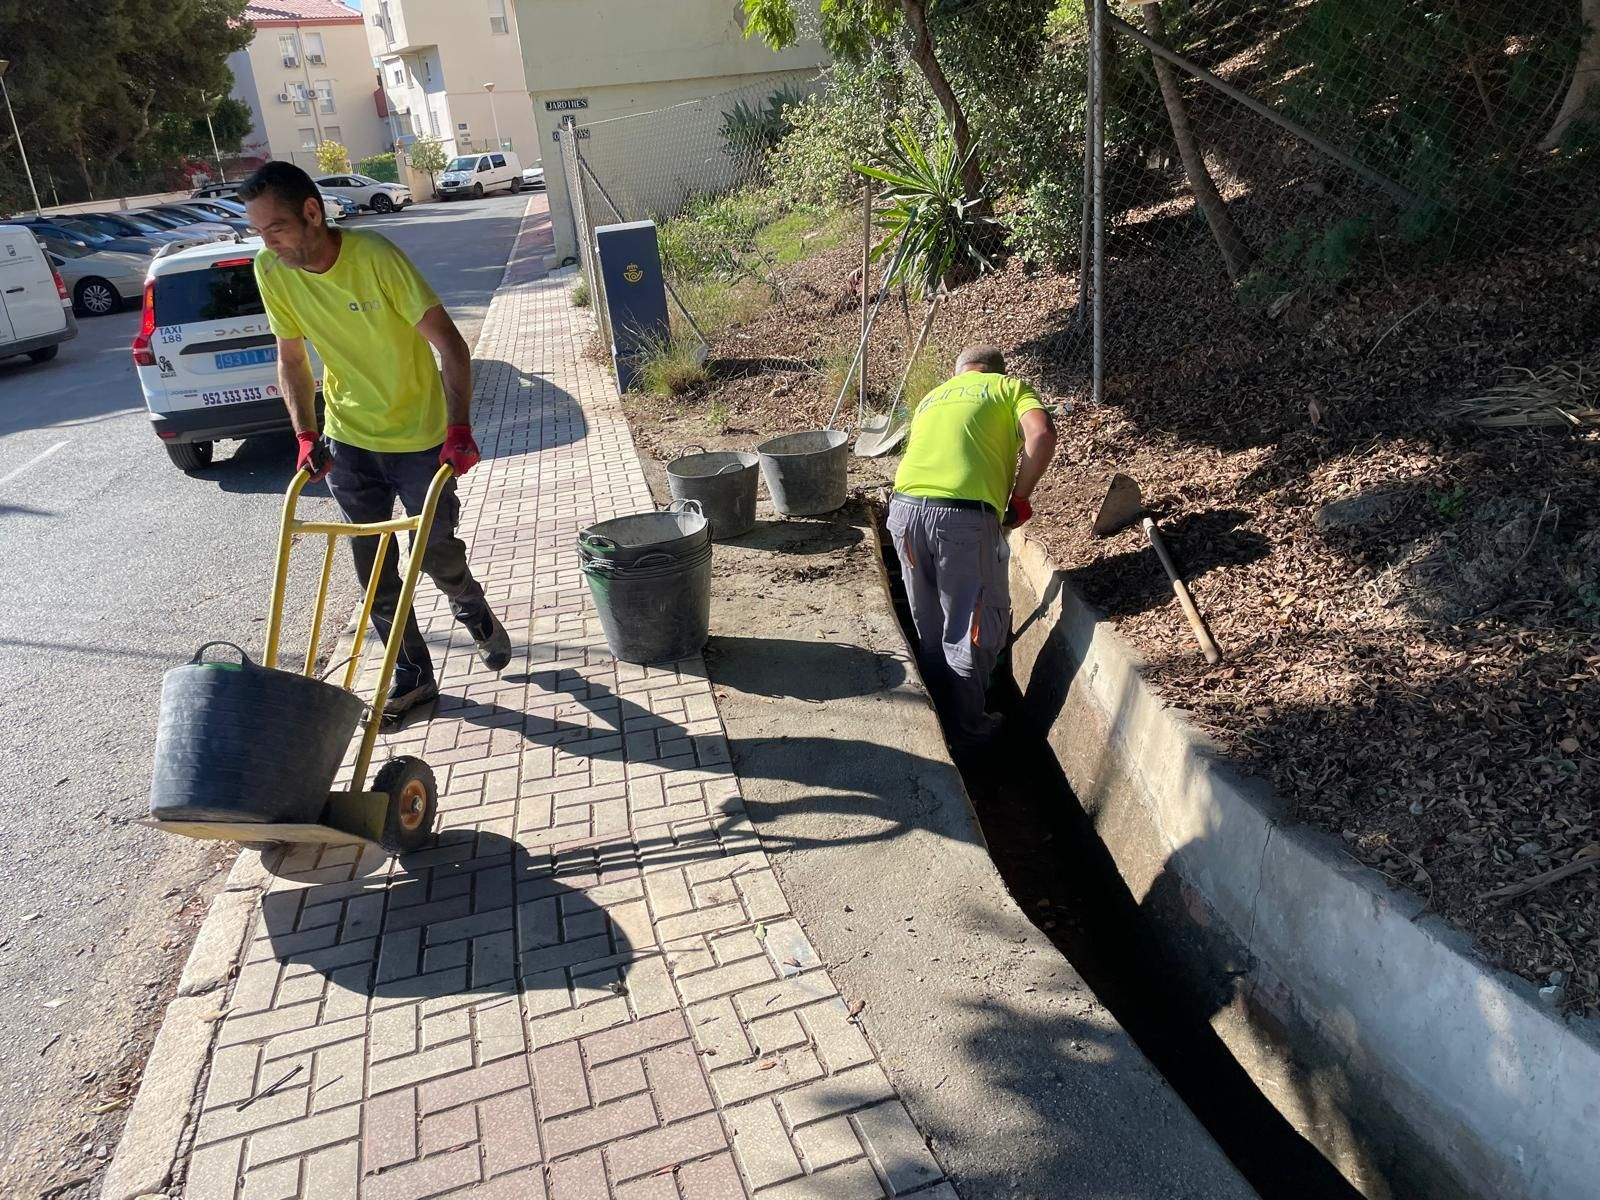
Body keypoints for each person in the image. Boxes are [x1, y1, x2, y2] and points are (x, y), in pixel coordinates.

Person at [240, 160, 510, 722]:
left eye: (276, 229)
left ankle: (467, 600)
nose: (267, 243)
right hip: (348, 437)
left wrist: (458, 427)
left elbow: (451, 346)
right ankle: (413, 676)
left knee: (434, 554)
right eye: (259, 232)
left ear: (313, 212)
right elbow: (292, 359)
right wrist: (305, 432)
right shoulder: (272, 269)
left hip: (418, 436)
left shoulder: (375, 258)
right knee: (375, 570)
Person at [886, 345, 1057, 747]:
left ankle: (938, 724)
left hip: (903, 512)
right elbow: (1042, 435)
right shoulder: (1008, 388)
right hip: (960, 519)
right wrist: (1019, 497)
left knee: (929, 624)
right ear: (996, 371)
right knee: (970, 627)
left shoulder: (932, 397)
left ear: (959, 372)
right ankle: (969, 732)